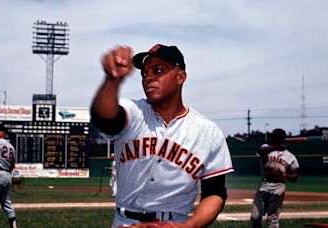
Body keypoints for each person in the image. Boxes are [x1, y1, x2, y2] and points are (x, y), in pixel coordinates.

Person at [90, 44, 234, 227]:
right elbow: (105, 118)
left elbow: (215, 192)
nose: (148, 77)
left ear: (180, 77)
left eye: (158, 70)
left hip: (175, 223)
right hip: (125, 222)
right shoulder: (135, 112)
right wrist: (112, 80)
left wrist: (189, 226)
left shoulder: (208, 131)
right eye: (144, 73)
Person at [251, 128, 299, 228]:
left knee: (272, 220)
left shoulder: (290, 156)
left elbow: (295, 176)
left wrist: (284, 175)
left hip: (278, 186)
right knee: (255, 217)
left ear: (281, 139)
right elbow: (260, 152)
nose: (271, 139)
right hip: (264, 184)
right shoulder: (266, 147)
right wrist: (277, 147)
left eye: (274, 137)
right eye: (271, 137)